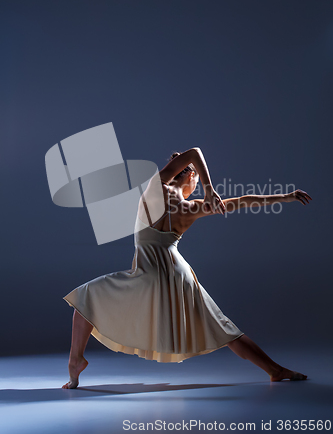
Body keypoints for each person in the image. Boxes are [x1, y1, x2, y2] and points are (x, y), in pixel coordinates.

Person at [62, 147, 311, 389]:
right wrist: (283, 197)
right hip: (178, 276)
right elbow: (241, 201)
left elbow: (193, 153)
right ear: (191, 175)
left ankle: (76, 362)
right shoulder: (190, 208)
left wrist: (209, 189)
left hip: (147, 276)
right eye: (195, 181)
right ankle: (274, 370)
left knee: (86, 297)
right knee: (224, 329)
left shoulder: (153, 189)